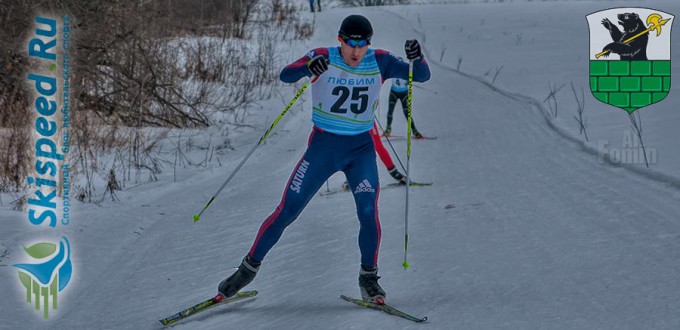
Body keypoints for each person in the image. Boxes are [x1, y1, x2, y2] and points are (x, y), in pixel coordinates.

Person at [217, 14, 430, 304]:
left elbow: (420, 75)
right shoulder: (323, 56)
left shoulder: (379, 60)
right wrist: (307, 67)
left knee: (368, 213)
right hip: (322, 150)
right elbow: (286, 74)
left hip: (360, 151)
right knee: (287, 211)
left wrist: (418, 59)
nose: (357, 51)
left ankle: (369, 279)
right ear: (340, 40)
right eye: (351, 44)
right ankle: (246, 270)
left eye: (363, 44)